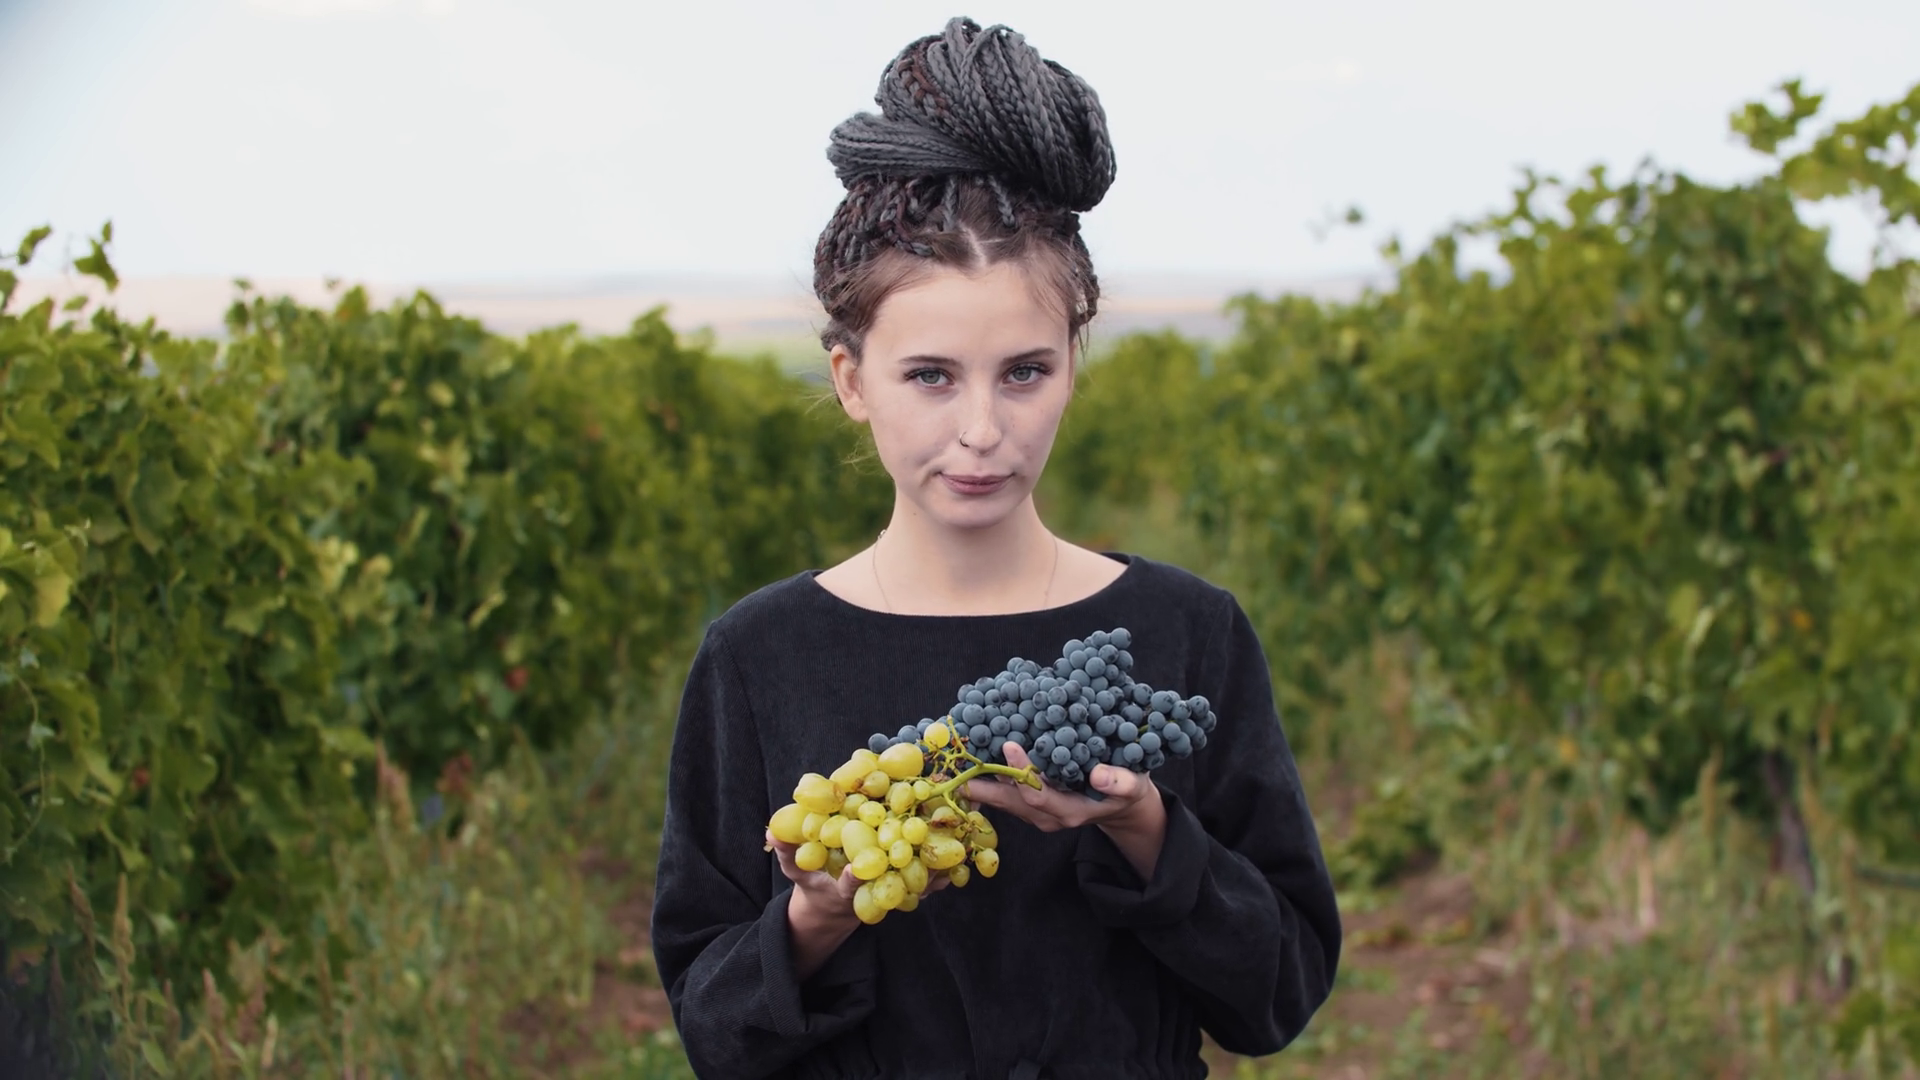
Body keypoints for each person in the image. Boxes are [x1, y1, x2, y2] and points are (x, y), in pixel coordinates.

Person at [649, 17, 1340, 1079]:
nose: (982, 430)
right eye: (931, 376)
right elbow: (714, 1036)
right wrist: (816, 919)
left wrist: (1149, 832)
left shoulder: (1187, 632)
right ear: (850, 381)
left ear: (1073, 363)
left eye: (1024, 372)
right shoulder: (756, 656)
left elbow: (1277, 996)